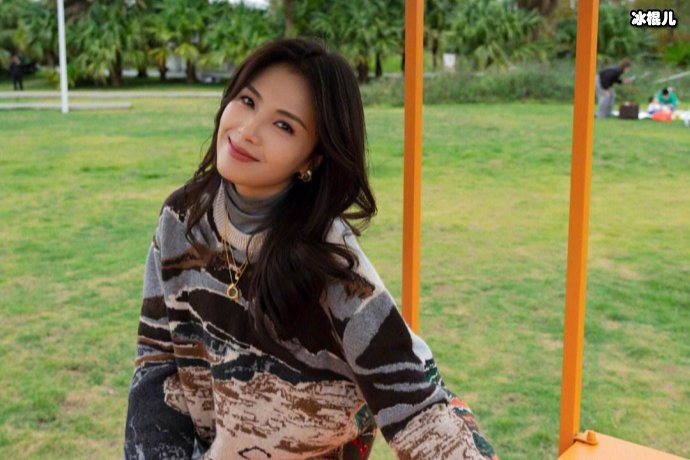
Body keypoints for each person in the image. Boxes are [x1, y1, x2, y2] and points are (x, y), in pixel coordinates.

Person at [123, 38, 497, 460]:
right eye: (248, 101)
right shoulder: (182, 218)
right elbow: (157, 364)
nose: (247, 131)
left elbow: (419, 407)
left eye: (284, 126)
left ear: (312, 160)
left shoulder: (330, 262)